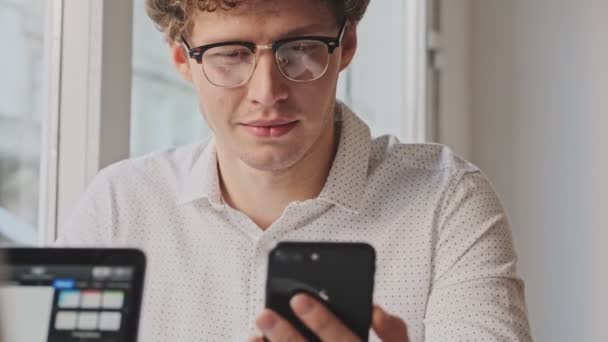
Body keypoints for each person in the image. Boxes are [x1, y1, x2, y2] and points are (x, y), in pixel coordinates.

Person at [58, 0, 532, 340]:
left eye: (299, 49)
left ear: (345, 45)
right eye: (231, 54)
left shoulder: (446, 200)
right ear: (183, 58)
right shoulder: (119, 207)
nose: (267, 92)